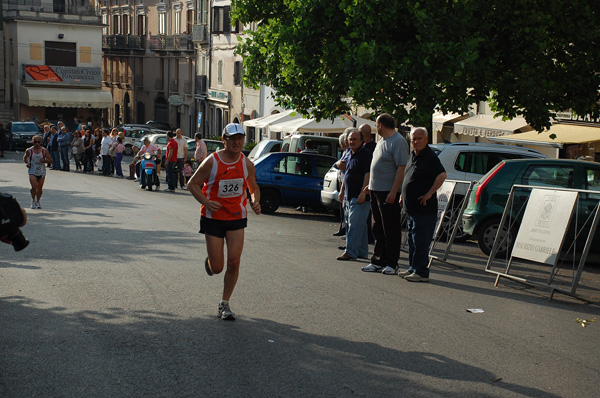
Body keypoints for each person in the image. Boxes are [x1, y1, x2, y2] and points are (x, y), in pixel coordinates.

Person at [187, 123, 261, 320]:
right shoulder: (213, 161)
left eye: (240, 138)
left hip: (236, 217)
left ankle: (224, 303)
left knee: (234, 262)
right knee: (218, 267)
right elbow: (192, 184)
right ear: (224, 140)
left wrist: (255, 202)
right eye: (232, 138)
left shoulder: (247, 164)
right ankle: (211, 263)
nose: (236, 142)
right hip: (213, 218)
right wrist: (206, 202)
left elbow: (253, 188)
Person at [361, 113, 409, 275]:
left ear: (380, 125)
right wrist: (371, 184)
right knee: (377, 227)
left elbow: (401, 168)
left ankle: (392, 262)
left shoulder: (398, 142)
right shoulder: (381, 141)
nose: (376, 127)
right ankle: (378, 260)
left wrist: (394, 191)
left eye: (376, 125)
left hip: (388, 192)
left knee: (391, 227)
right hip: (376, 190)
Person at [399, 128, 447, 282]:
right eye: (414, 139)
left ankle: (421, 272)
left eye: (419, 138)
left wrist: (429, 193)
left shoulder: (430, 157)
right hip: (412, 208)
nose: (416, 141)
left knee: (420, 241)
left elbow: (442, 175)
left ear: (426, 139)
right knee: (412, 241)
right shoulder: (413, 155)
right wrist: (402, 194)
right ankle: (413, 268)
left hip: (424, 209)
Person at [337, 129, 372, 261]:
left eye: (355, 139)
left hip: (360, 197)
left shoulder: (365, 154)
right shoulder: (350, 153)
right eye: (350, 139)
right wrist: (342, 191)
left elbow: (368, 174)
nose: (352, 141)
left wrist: (363, 192)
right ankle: (362, 251)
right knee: (360, 225)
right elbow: (347, 174)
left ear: (362, 141)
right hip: (349, 195)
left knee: (354, 224)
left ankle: (350, 251)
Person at [23, 135, 52, 209]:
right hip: (32, 171)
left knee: (39, 188)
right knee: (34, 186)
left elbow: (50, 159)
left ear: (41, 142)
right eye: (35, 142)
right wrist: (27, 163)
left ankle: (38, 201)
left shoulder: (44, 150)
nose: (37, 144)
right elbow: (25, 157)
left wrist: (45, 160)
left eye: (39, 142)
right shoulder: (29, 150)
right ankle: (33, 200)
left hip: (41, 171)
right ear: (32, 142)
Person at [333, 131, 351, 237]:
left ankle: (344, 229)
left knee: (346, 208)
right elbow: (337, 164)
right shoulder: (345, 152)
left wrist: (338, 164)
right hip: (342, 181)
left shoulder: (348, 152)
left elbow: (342, 165)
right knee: (343, 207)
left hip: (346, 182)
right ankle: (343, 228)